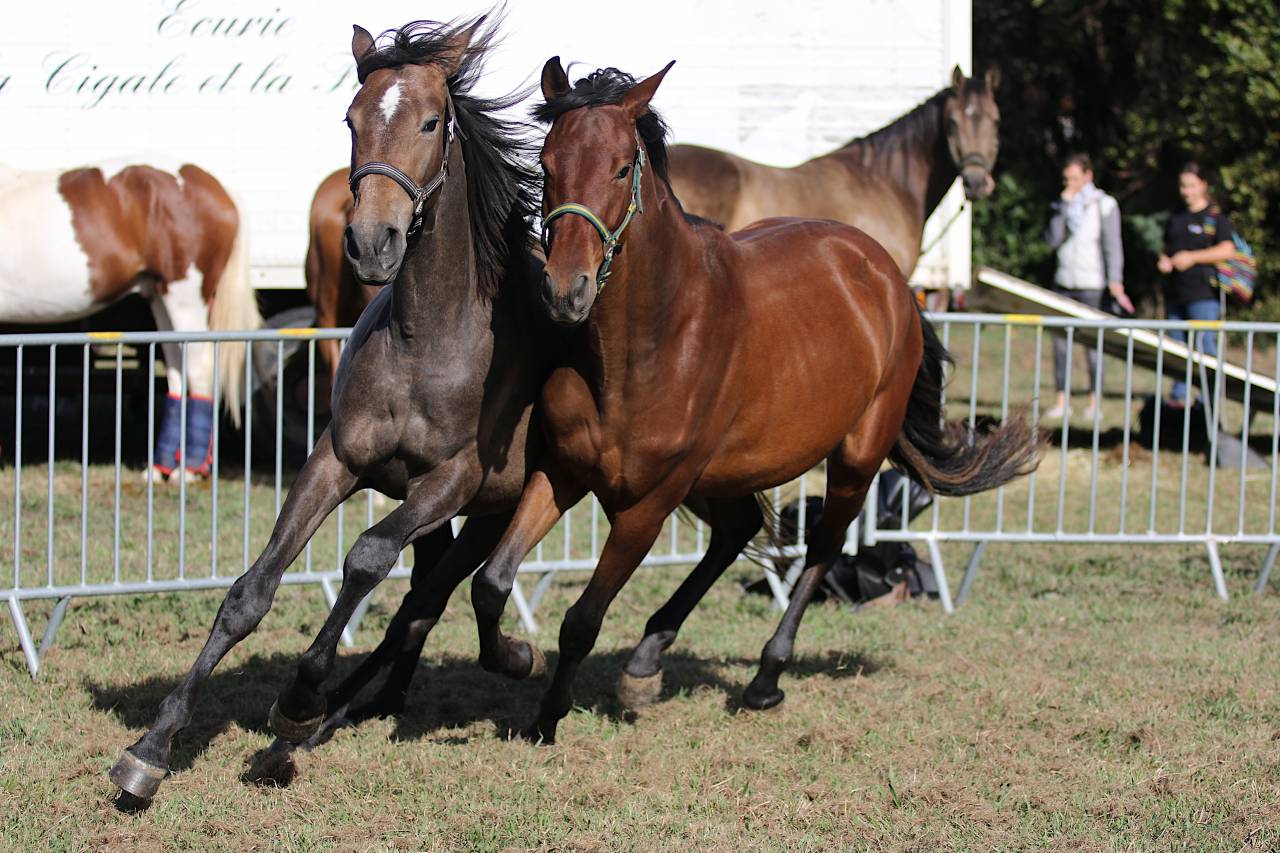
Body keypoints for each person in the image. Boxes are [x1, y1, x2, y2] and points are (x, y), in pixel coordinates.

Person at [1044, 154, 1132, 419]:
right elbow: (1052, 240)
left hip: (1091, 284)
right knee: (1060, 346)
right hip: (1064, 282)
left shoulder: (1104, 205)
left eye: (1075, 178)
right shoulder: (1062, 204)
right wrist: (1063, 208)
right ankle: (1062, 401)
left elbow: (1112, 246)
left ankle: (1095, 403)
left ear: (1088, 176)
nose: (1070, 184)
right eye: (1066, 179)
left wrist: (1115, 281)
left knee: (1093, 346)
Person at [1158, 161, 1237, 405]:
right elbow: (1166, 246)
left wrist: (1191, 258)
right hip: (1176, 293)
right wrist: (1165, 260)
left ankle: (1208, 397)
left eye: (1191, 185)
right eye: (1183, 186)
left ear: (1203, 185)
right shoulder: (1176, 216)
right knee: (1177, 349)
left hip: (1203, 294)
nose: (1186, 191)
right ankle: (1178, 398)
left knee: (1204, 345)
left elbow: (1227, 250)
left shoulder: (1215, 218)